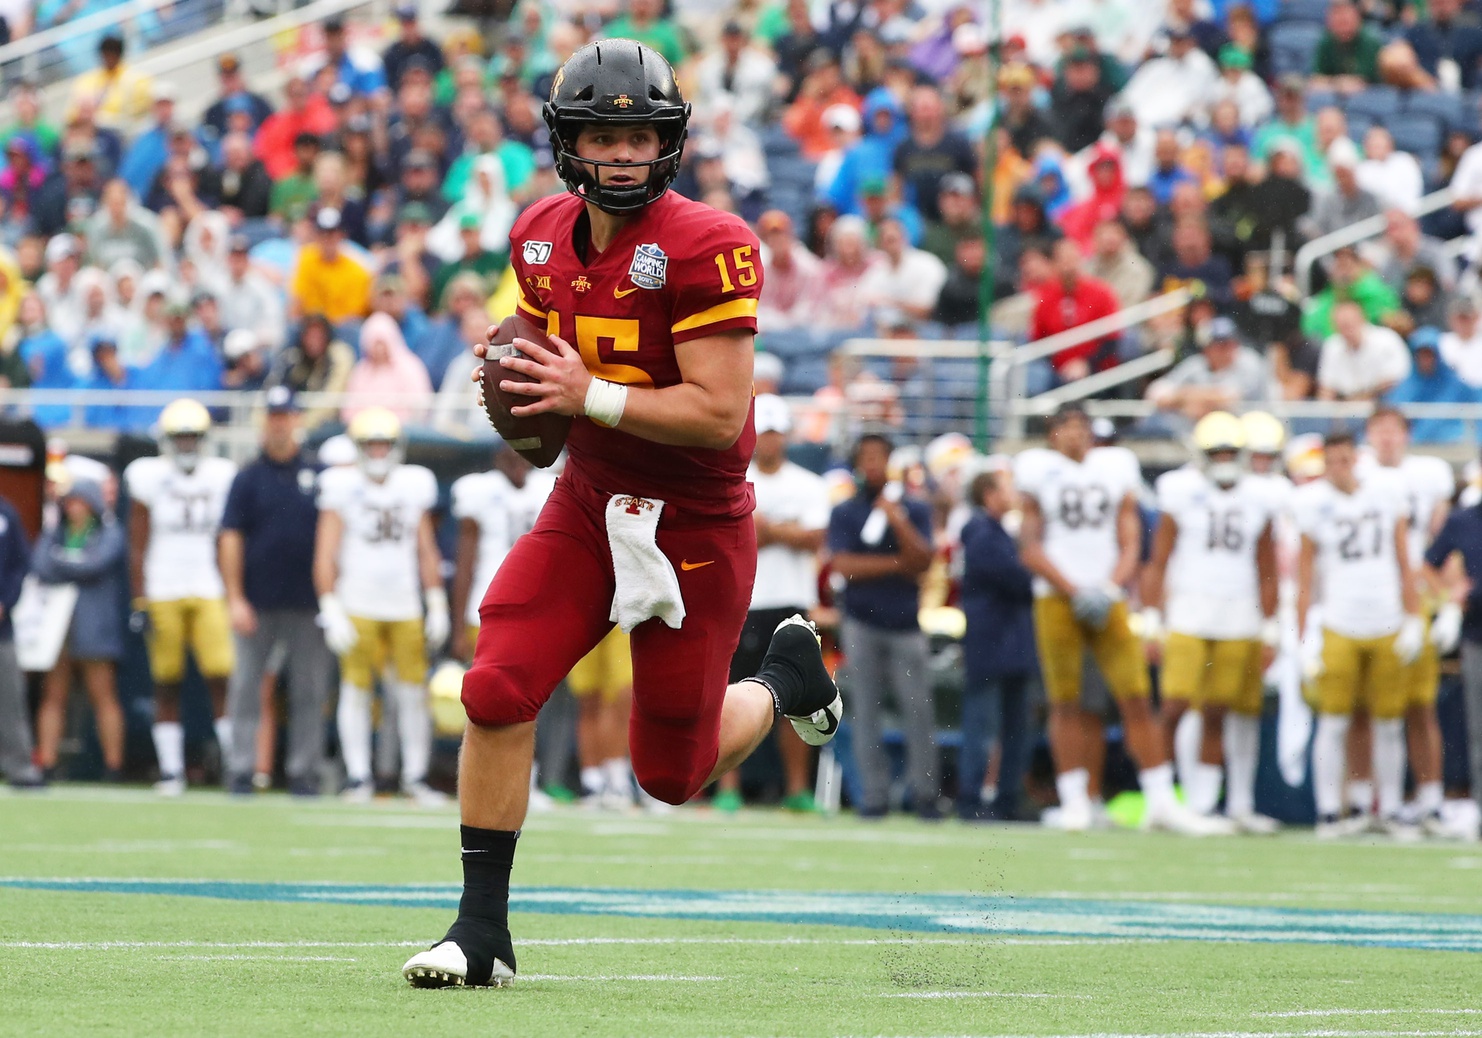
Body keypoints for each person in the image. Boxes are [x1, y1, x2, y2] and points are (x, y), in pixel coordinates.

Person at [403, 40, 841, 990]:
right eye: (603, 134)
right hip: (591, 500)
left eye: (640, 134)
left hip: (693, 520)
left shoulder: (710, 241)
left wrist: (583, 390)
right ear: (567, 143)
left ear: (669, 142)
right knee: (495, 686)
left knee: (670, 774)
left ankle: (781, 682)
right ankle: (481, 932)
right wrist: (523, 383)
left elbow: (720, 412)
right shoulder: (537, 235)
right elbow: (549, 389)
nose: (624, 155)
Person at [1014, 403, 1227, 835]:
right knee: (1065, 699)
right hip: (1057, 597)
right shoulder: (1038, 471)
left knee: (1134, 695)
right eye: (1066, 426)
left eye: (1081, 426)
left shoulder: (1114, 468)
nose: (1075, 434)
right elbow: (1030, 545)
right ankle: (1075, 800)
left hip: (1107, 596)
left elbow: (1130, 537)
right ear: (1052, 435)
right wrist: (1075, 589)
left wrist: (1109, 587)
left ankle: (1162, 801)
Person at [1141, 412, 1282, 833]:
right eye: (1216, 452)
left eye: (1229, 451)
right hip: (1188, 611)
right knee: (1174, 704)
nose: (1224, 458)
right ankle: (1161, 797)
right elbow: (1159, 558)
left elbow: (1267, 566)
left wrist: (1270, 624)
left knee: (1218, 710)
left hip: (1239, 615)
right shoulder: (1180, 491)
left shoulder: (1261, 496)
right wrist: (1152, 615)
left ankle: (1202, 803)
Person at [314, 408, 448, 807]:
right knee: (355, 691)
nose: (377, 452)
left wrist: (435, 599)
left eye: (383, 444)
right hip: (358, 602)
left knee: (411, 694)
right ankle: (358, 777)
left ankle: (415, 777)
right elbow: (326, 552)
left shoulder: (413, 484)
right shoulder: (340, 484)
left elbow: (425, 548)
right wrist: (330, 603)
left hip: (404, 604)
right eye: (370, 444)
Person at [1296, 431, 1422, 838]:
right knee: (1333, 721)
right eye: (1330, 461)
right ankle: (1330, 811)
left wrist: (1414, 617)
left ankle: (1389, 810)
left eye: (1344, 459)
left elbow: (1404, 560)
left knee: (1388, 722)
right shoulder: (1312, 502)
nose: (1338, 468)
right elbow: (1305, 577)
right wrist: (1304, 635)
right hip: (1338, 619)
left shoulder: (1386, 492)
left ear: (1357, 458)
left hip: (1386, 618)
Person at [714, 395, 830, 813]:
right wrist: (784, 531)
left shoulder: (808, 484)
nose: (770, 442)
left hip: (792, 601)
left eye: (776, 434)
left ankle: (797, 788)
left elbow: (814, 539)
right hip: (744, 599)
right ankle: (728, 787)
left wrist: (766, 529)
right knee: (731, 693)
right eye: (764, 434)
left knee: (796, 701)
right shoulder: (733, 478)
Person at [219, 387, 335, 797]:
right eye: (273, 416)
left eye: (285, 415)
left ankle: (304, 771)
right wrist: (235, 597)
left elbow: (334, 534)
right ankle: (240, 768)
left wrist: (332, 597)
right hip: (259, 600)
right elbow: (230, 538)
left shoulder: (320, 474)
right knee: (247, 688)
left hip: (309, 602)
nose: (279, 423)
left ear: (296, 420)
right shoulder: (248, 478)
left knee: (309, 689)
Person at [123, 400, 238, 795]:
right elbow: (137, 542)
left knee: (221, 675)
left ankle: (234, 764)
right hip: (163, 587)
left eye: (192, 437)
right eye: (180, 437)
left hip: (209, 585)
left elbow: (230, 538)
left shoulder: (222, 475)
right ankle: (171, 770)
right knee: (166, 681)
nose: (187, 445)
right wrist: (139, 599)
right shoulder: (148, 476)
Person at [1353, 409, 1455, 834]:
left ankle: (1429, 802)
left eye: (1393, 430)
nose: (1387, 439)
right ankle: (1367, 804)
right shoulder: (1354, 472)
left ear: (1407, 435)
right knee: (1362, 706)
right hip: (1368, 595)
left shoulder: (1428, 474)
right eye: (1379, 431)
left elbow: (1443, 539)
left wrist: (1446, 600)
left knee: (1419, 704)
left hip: (1417, 592)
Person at [828, 433, 935, 818]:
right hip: (861, 623)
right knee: (866, 711)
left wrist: (897, 519)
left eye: (879, 456)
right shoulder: (845, 512)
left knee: (918, 710)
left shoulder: (914, 508)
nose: (872, 463)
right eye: (865, 456)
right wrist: (897, 566)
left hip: (906, 623)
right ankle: (872, 797)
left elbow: (924, 560)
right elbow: (844, 566)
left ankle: (925, 795)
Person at [32, 478, 127, 782]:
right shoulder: (55, 532)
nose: (75, 509)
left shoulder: (110, 533)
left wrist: (63, 562)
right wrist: (70, 562)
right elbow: (40, 563)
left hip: (94, 627)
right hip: (57, 628)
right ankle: (46, 761)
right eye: (71, 502)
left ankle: (113, 766)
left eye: (82, 503)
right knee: (53, 694)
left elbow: (95, 565)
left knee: (103, 695)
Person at [957, 468, 1035, 822]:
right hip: (992, 640)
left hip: (1012, 640)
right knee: (984, 724)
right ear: (989, 495)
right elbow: (1015, 578)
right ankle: (971, 799)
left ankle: (1007, 799)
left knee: (1015, 725)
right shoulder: (981, 532)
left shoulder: (997, 532)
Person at [0, 490, 39, 788]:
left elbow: (20, 564)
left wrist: (6, 602)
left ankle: (20, 766)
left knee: (10, 699)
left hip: (2, 628)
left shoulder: (6, 513)